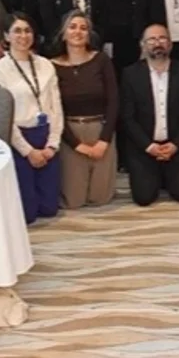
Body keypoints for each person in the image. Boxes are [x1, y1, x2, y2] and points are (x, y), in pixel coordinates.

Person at [0, 12, 62, 225]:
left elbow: (56, 108)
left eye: (28, 31)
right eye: (17, 31)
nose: (23, 36)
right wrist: (28, 151)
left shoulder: (46, 65)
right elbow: (2, 116)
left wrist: (52, 145)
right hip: (19, 139)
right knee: (27, 214)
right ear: (6, 36)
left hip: (45, 136)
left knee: (49, 209)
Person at [120, 24, 179, 206]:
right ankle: (157, 175)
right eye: (152, 39)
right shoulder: (130, 74)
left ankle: (166, 174)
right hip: (144, 148)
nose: (157, 43)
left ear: (170, 44)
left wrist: (175, 145)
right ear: (143, 45)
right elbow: (127, 118)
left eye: (162, 38)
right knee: (144, 198)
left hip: (175, 147)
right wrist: (148, 146)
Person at [51, 11, 119, 209]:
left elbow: (114, 101)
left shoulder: (102, 60)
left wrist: (104, 140)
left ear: (89, 34)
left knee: (100, 199)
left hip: (100, 129)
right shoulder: (50, 66)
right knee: (74, 201)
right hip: (69, 133)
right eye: (72, 27)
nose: (78, 32)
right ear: (63, 34)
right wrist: (76, 145)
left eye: (83, 28)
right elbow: (54, 109)